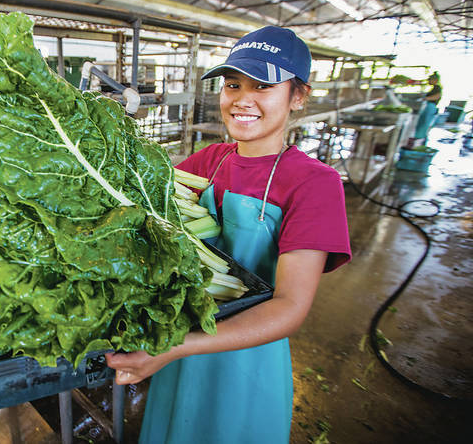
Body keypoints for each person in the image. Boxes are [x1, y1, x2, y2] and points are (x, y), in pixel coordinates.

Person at [106, 26, 351, 443]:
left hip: (244, 360)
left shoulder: (315, 184)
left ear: (298, 96)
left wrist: (175, 347)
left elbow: (290, 307)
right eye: (233, 84)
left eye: (263, 86)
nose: (242, 99)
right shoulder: (209, 161)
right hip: (177, 350)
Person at [412, 72, 442, 141]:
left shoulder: (437, 87)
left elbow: (437, 96)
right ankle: (418, 138)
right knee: (422, 123)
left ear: (435, 80)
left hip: (430, 107)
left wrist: (426, 98)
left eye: (430, 80)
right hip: (428, 106)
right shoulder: (434, 88)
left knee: (424, 123)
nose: (429, 81)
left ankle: (419, 138)